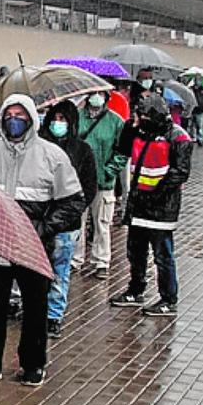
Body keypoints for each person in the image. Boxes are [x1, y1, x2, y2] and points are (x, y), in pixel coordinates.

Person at [0, 95, 85, 388]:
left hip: (35, 245)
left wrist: (44, 228)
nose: (13, 120)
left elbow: (73, 201)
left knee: (35, 306)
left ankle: (33, 364)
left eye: (20, 115)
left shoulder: (52, 155)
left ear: (31, 118)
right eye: (9, 114)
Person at [109, 95, 193, 317]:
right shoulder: (139, 132)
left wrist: (157, 194)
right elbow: (123, 149)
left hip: (162, 208)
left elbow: (181, 172)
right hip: (138, 204)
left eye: (143, 116)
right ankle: (136, 290)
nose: (140, 120)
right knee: (135, 252)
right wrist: (130, 126)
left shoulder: (178, 137)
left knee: (162, 255)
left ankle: (168, 299)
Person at [39, 101, 96, 339]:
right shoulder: (38, 147)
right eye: (55, 118)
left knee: (60, 270)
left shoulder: (82, 150)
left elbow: (87, 189)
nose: (58, 123)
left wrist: (68, 213)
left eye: (64, 119)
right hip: (39, 219)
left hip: (67, 223)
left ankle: (54, 315)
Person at [72, 91, 128, 280]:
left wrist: (109, 170)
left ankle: (101, 261)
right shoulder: (76, 118)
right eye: (93, 94)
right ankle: (75, 259)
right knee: (77, 222)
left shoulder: (115, 121)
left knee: (102, 223)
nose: (96, 97)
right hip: (78, 181)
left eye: (100, 94)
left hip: (103, 183)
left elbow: (123, 150)